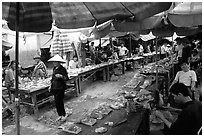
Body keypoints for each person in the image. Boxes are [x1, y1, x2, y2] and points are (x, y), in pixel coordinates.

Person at [48, 54, 69, 122]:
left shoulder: (62, 69)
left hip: (60, 87)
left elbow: (66, 78)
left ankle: (63, 114)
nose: (54, 63)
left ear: (58, 62)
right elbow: (52, 78)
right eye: (53, 62)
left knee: (60, 101)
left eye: (55, 62)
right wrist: (50, 85)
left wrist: (61, 76)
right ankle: (59, 115)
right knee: (56, 102)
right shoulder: (54, 69)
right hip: (55, 87)